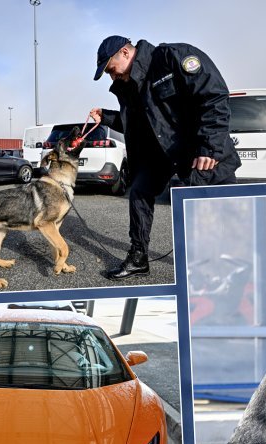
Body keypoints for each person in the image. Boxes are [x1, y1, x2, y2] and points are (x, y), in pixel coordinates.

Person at [90, 35, 241, 280]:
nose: (112, 76)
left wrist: (209, 147)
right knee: (139, 191)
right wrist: (106, 117)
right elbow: (136, 123)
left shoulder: (173, 57)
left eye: (110, 69)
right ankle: (139, 258)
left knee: (220, 211)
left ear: (125, 53)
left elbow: (213, 96)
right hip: (162, 153)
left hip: (201, 150)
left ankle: (231, 265)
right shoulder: (128, 85)